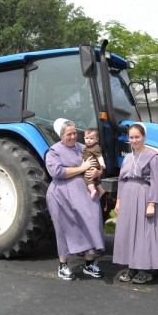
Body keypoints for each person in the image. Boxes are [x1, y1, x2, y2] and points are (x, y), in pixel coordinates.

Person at [45, 119, 105, 281]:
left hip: (85, 194)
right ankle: (63, 265)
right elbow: (57, 172)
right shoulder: (53, 151)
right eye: (68, 134)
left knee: (91, 223)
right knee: (64, 228)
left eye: (74, 133)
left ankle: (89, 263)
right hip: (61, 196)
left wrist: (97, 174)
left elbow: (96, 165)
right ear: (61, 135)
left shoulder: (83, 148)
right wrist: (82, 168)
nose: (73, 136)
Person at [113, 123, 158, 284]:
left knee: (144, 232)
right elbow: (122, 180)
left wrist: (152, 203)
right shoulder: (128, 157)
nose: (134, 140)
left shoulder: (153, 156)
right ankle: (132, 267)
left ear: (144, 137)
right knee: (129, 231)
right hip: (128, 195)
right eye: (131, 137)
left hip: (144, 195)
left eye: (137, 137)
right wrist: (119, 200)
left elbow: (156, 182)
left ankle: (145, 269)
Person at [83, 128, 106, 200]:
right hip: (89, 165)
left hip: (92, 166)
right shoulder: (86, 147)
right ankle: (101, 190)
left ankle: (92, 190)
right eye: (87, 138)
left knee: (88, 177)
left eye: (91, 138)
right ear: (84, 138)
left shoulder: (95, 148)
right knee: (95, 180)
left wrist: (102, 164)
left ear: (96, 140)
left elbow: (99, 156)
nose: (89, 140)